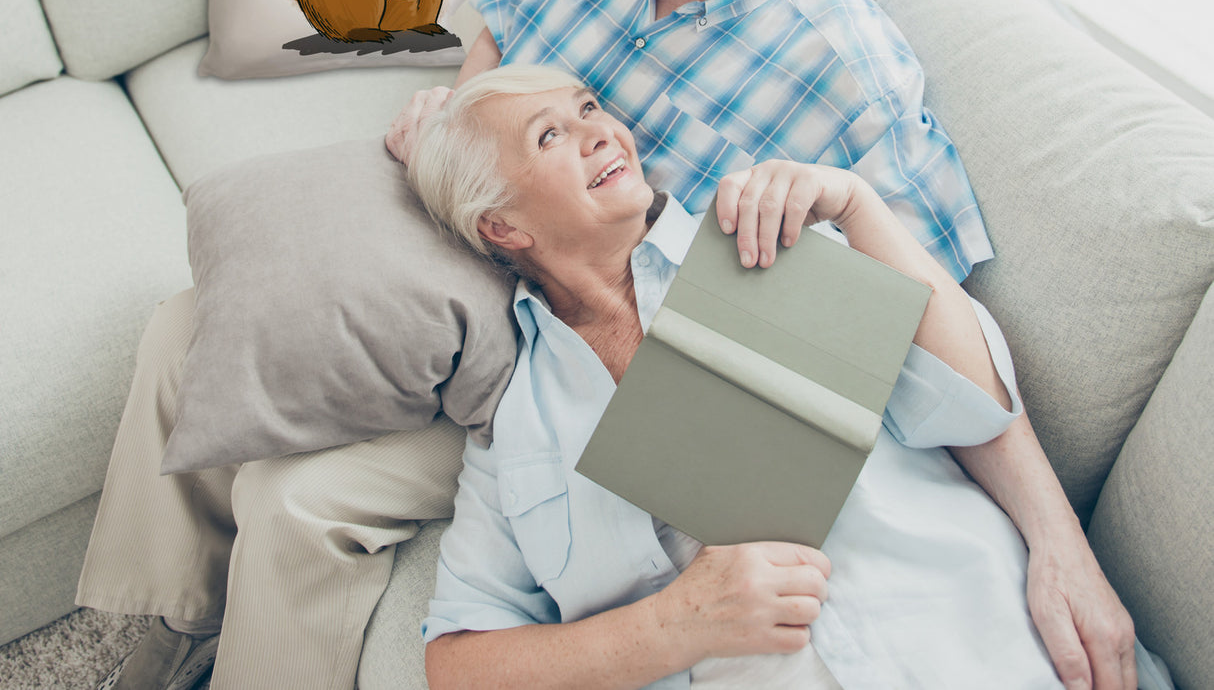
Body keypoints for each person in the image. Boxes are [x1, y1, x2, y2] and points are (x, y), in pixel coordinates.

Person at [389, 0, 1136, 688]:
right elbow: (500, 26)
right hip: (496, 311)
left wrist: (1058, 544)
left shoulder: (828, 142)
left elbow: (944, 361)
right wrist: (463, 137)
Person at [407, 64, 1161, 690]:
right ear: (502, 226)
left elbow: (973, 405)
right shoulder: (516, 427)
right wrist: (674, 625)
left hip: (986, 644)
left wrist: (859, 207)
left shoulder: (762, 238)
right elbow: (458, 664)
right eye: (551, 135)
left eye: (589, 108)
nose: (601, 130)